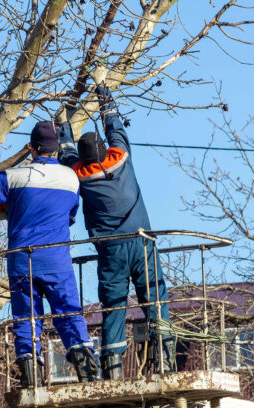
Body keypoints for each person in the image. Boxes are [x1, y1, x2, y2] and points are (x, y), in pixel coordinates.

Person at [58, 77, 175, 380]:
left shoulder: (79, 174)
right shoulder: (120, 158)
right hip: (142, 242)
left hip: (111, 249)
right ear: (102, 149)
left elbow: (66, 152)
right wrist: (102, 88)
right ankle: (165, 355)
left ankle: (113, 366)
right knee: (155, 295)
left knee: (113, 305)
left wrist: (64, 125)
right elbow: (114, 125)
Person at [0, 121, 98, 387]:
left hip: (22, 259)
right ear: (55, 150)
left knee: (26, 316)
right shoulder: (70, 178)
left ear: (31, 147)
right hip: (56, 259)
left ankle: (30, 378)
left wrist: (8, 210)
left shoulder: (13, 177)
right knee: (68, 313)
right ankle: (87, 371)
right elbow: (70, 217)